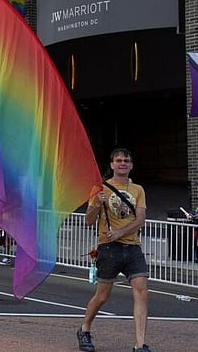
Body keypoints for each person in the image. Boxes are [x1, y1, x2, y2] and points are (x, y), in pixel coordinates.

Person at [77, 148, 151, 352]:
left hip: (132, 247)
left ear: (131, 165)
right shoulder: (100, 189)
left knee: (142, 292)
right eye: (118, 160)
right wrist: (95, 205)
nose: (122, 163)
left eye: (126, 160)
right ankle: (85, 328)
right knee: (102, 296)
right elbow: (88, 221)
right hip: (109, 248)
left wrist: (120, 233)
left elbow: (140, 218)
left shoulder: (138, 190)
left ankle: (140, 344)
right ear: (111, 165)